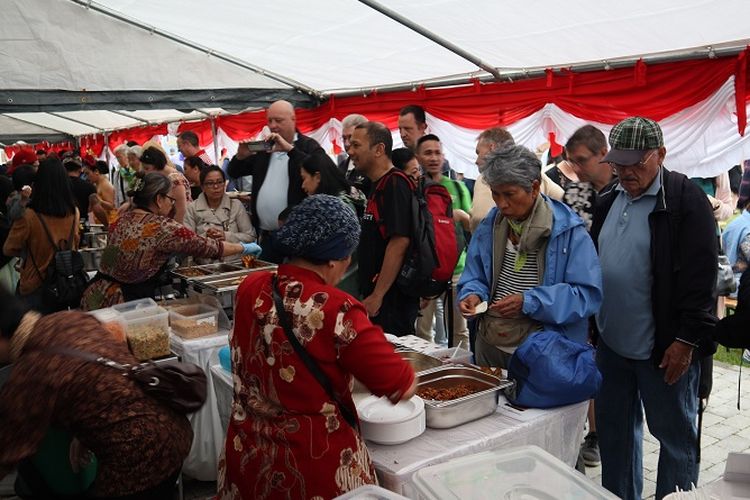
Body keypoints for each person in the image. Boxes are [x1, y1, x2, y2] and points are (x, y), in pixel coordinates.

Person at [218, 195, 416, 499]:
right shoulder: (337, 309)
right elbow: (399, 383)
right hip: (311, 465)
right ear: (336, 259)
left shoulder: (250, 286)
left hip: (248, 454)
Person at [590, 117, 717, 500]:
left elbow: (702, 280)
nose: (626, 171)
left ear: (660, 155)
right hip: (612, 345)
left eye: (636, 163)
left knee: (676, 440)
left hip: (664, 349)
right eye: (619, 163)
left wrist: (685, 341)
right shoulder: (610, 196)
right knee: (615, 437)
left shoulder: (684, 200)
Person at [0, 287, 192, 499]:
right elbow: (106, 371)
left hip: (142, 455)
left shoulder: (28, 373)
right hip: (173, 426)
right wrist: (85, 429)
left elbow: (5, 452)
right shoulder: (68, 320)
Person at [457, 144, 602, 368]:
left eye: (509, 194)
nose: (501, 203)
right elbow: (475, 274)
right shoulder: (492, 224)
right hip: (490, 346)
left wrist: (530, 301)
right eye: (495, 193)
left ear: (534, 188)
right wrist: (472, 294)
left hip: (542, 355)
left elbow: (585, 295)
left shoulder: (568, 231)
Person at [80, 172, 260, 310]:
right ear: (159, 199)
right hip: (123, 302)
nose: (172, 204)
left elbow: (113, 260)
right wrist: (243, 247)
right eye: (170, 199)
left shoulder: (122, 219)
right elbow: (211, 247)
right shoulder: (163, 227)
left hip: (95, 295)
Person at [226, 100, 323, 263]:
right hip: (267, 236)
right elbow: (234, 172)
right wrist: (239, 157)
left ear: (293, 119)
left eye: (279, 120)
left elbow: (320, 171)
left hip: (297, 237)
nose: (273, 125)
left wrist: (290, 150)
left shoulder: (308, 146)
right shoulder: (265, 149)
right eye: (270, 121)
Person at [349, 121, 419, 335]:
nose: (350, 151)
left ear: (379, 149)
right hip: (379, 295)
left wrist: (378, 295)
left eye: (356, 145)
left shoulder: (395, 184)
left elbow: (399, 242)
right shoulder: (377, 183)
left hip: (392, 300)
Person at [414, 135, 471, 347]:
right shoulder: (414, 189)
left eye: (437, 152)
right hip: (425, 272)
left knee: (460, 331)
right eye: (428, 153)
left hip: (457, 269)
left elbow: (470, 225)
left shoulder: (457, 187)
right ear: (418, 157)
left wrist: (460, 217)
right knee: (422, 332)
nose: (434, 158)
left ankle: (461, 375)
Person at [3, 158, 80, 314]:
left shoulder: (29, 215)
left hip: (34, 285)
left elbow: (9, 249)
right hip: (64, 284)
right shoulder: (74, 212)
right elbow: (75, 243)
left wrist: (28, 251)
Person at [470, 127, 563, 232]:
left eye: (478, 153)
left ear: (492, 148)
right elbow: (561, 198)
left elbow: (479, 218)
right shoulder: (538, 174)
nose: (502, 204)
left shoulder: (488, 177)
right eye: (496, 194)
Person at [300, 151, 366, 297]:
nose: (303, 185)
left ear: (317, 177)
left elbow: (340, 250)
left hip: (343, 280)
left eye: (304, 178)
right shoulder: (346, 196)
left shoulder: (338, 206)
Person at [184, 166, 256, 265]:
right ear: (202, 187)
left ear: (224, 184)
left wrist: (226, 236)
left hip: (235, 264)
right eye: (210, 183)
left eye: (219, 182)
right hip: (204, 266)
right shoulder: (192, 208)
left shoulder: (236, 205)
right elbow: (187, 243)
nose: (216, 187)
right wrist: (206, 237)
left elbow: (250, 237)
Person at [563, 125, 615, 231]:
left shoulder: (625, 188)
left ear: (603, 153)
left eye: (582, 160)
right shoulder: (572, 193)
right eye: (571, 162)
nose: (576, 169)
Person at [398, 104, 453, 178]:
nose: (402, 134)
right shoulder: (397, 162)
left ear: (422, 127)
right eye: (400, 129)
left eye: (407, 129)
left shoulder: (440, 164)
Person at [139, 146, 191, 224]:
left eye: (147, 169)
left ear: (157, 165)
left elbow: (181, 212)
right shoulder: (165, 178)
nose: (146, 173)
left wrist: (176, 231)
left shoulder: (176, 181)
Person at [337, 113, 371, 195]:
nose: (347, 143)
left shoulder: (372, 166)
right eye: (344, 138)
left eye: (350, 137)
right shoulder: (341, 166)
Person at [86, 160, 117, 225]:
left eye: (88, 173)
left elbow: (111, 206)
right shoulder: (97, 184)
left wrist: (99, 201)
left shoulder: (105, 185)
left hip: (109, 221)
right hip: (100, 221)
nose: (87, 177)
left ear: (96, 172)